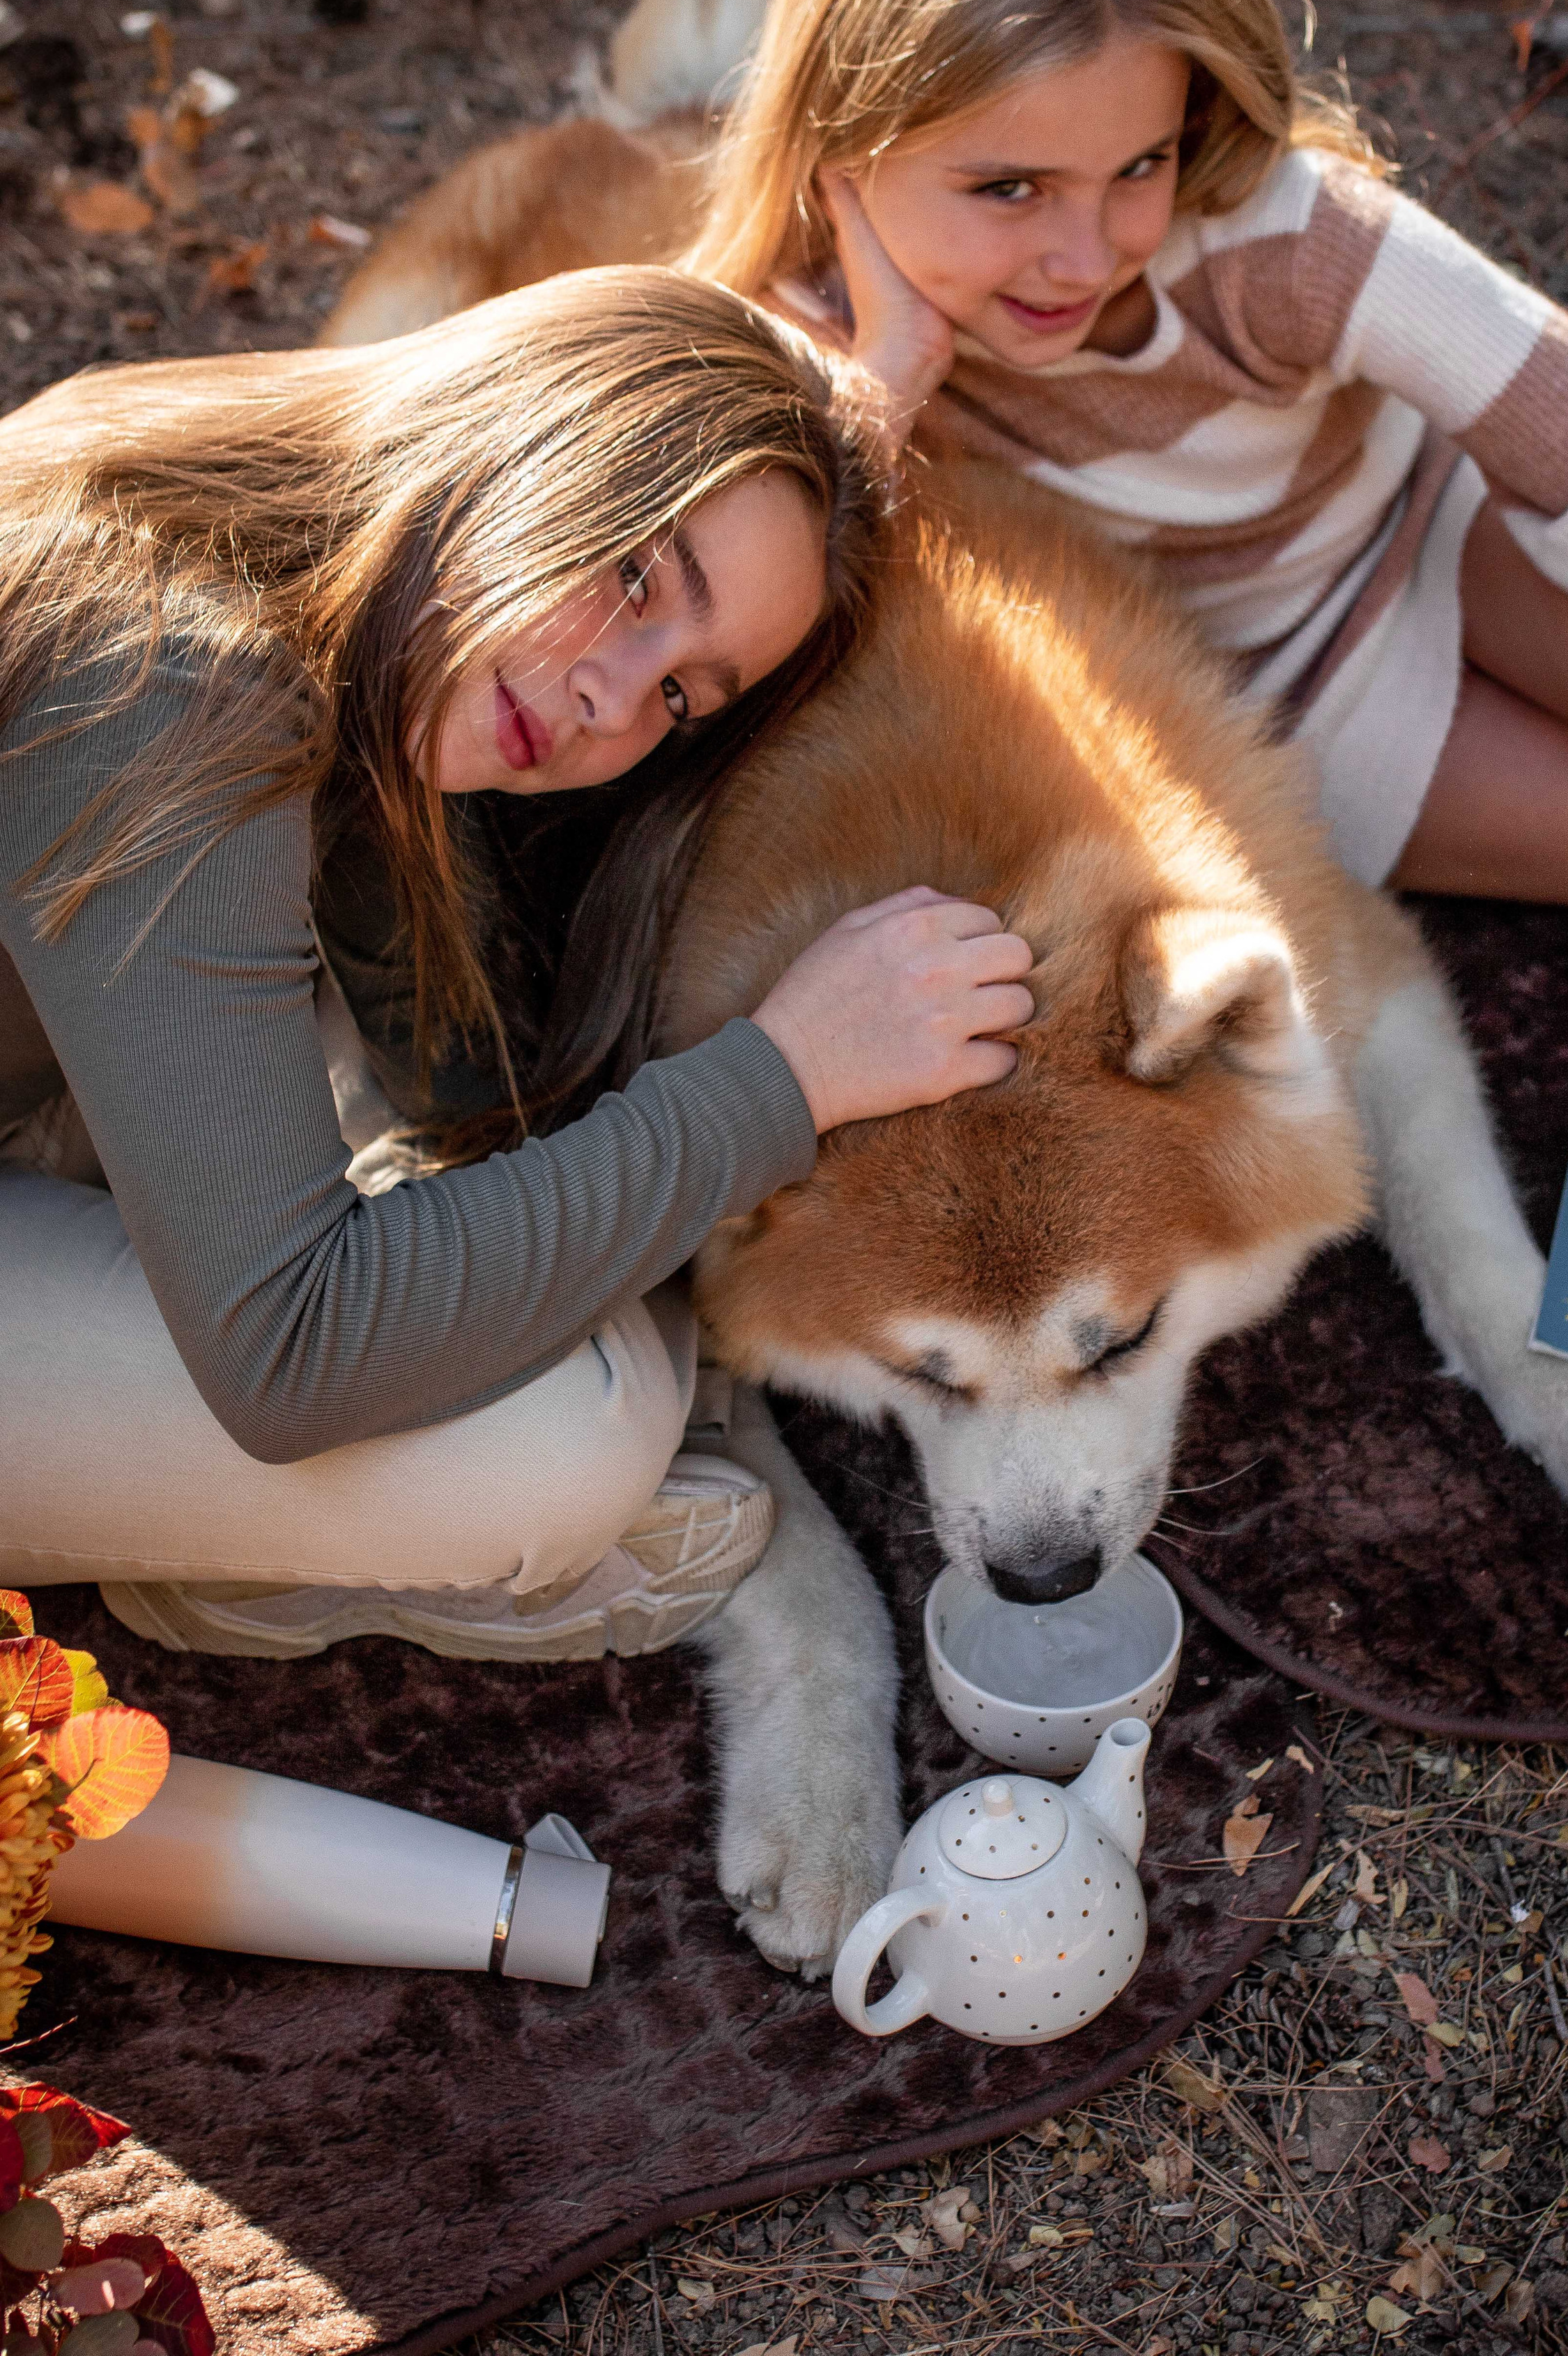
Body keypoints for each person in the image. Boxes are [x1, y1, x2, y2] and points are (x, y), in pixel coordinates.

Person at [0, 267, 1036, 1660]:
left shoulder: (260, 508)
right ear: (528, 430)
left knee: (522, 1269)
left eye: (683, 690)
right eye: (631, 575)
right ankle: (246, 1550)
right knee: (564, 1433)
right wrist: (777, 1084)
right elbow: (293, 1357)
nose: (619, 696)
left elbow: (469, 1091)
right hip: (249, 1323)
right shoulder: (174, 683)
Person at [686, 0, 1568, 934]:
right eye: (1009, 188)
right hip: (1293, 710)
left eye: (1138, 166)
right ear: (840, 155)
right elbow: (740, 659)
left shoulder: (1281, 234)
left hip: (1439, 525)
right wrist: (891, 381)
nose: (1083, 255)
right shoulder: (806, 359)